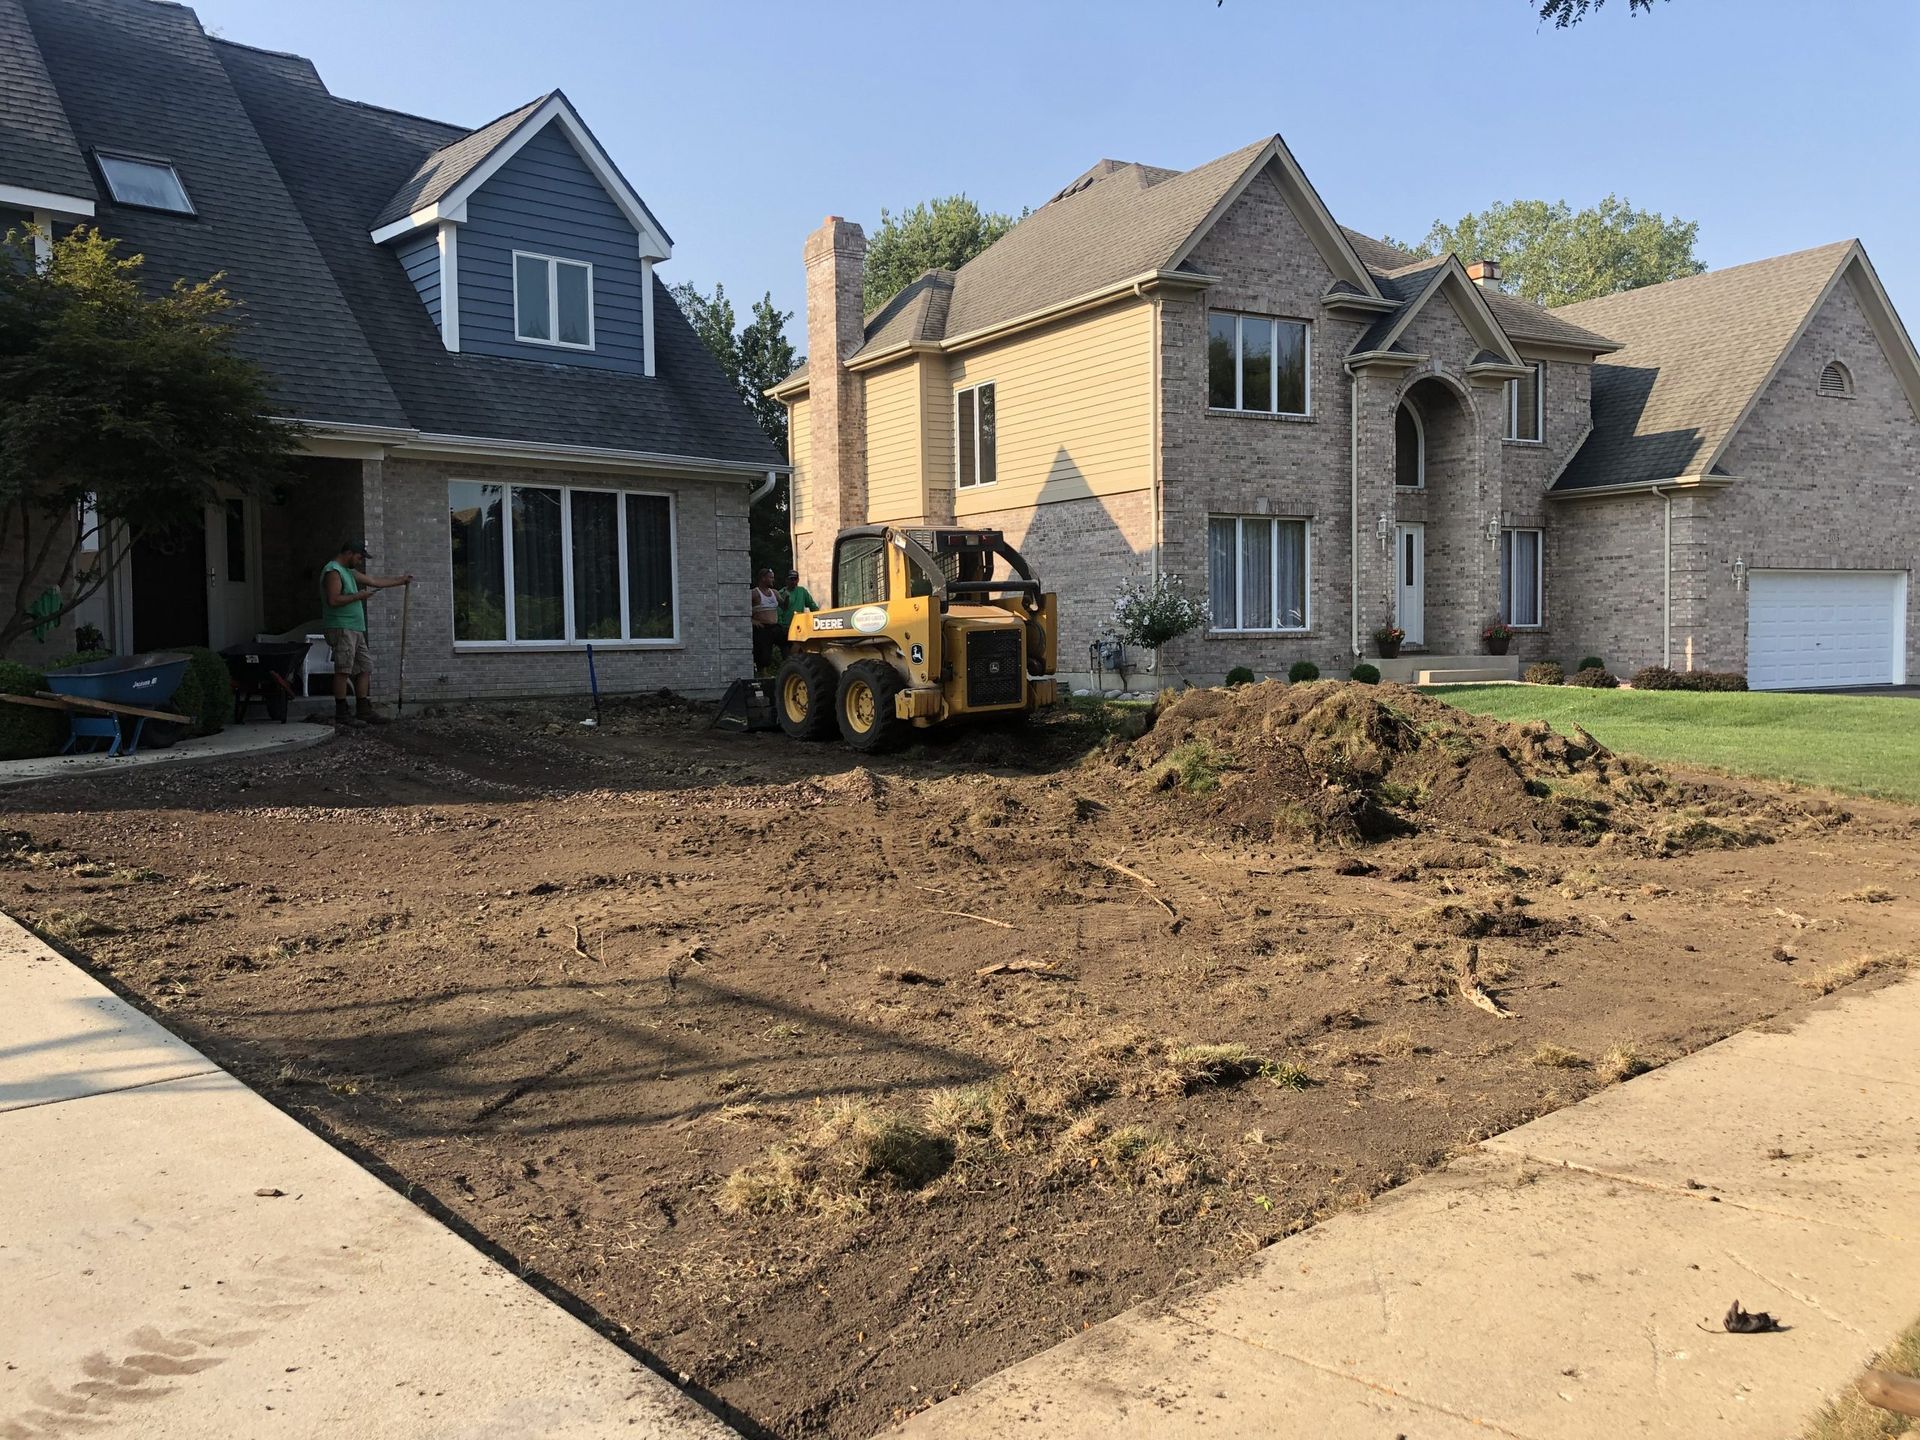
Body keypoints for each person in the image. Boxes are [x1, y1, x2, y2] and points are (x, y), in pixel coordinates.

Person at [321, 540, 412, 729]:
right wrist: (358, 596)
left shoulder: (350, 572)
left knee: (365, 667)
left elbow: (374, 581)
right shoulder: (333, 571)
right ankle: (342, 712)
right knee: (343, 670)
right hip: (341, 627)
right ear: (348, 553)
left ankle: (363, 709)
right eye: (359, 556)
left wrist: (400, 581)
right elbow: (334, 600)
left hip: (355, 628)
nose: (360, 560)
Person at [776, 568, 817, 660]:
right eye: (791, 579)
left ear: (798, 580)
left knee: (799, 652)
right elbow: (778, 610)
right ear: (786, 580)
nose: (793, 581)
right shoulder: (781, 593)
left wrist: (818, 616)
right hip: (785, 627)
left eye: (795, 579)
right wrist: (780, 624)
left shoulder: (802, 591)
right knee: (786, 654)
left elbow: (811, 605)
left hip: (799, 627)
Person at [750, 567, 780, 673]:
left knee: (787, 640)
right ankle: (763, 673)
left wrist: (787, 598)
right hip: (762, 627)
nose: (773, 580)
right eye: (771, 578)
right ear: (763, 578)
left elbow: (785, 606)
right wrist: (753, 621)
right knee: (764, 653)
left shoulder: (775, 593)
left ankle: (786, 665)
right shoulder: (754, 593)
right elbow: (743, 610)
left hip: (774, 626)